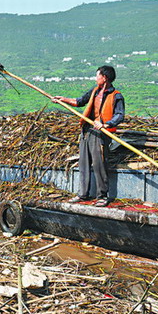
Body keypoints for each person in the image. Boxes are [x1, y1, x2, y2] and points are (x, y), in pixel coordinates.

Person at [52, 65, 125, 207]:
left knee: (99, 164)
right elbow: (79, 101)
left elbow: (120, 115)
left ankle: (102, 196)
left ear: (104, 78)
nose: (96, 78)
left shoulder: (116, 95)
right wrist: (63, 99)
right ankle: (83, 194)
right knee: (84, 163)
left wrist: (106, 124)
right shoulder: (94, 91)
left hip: (101, 133)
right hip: (87, 130)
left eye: (97, 75)